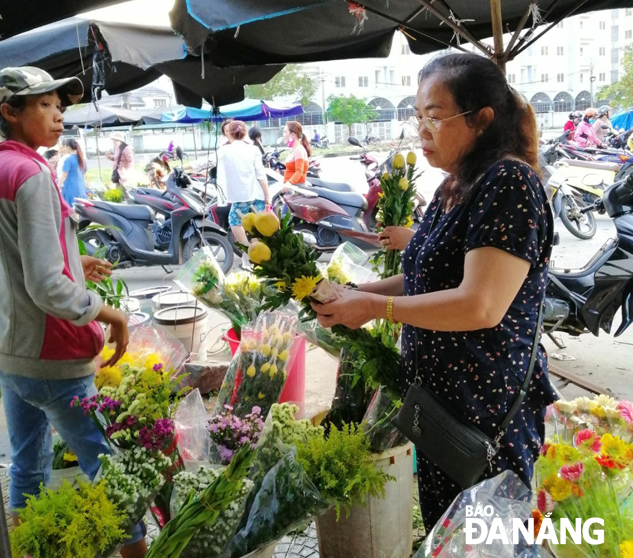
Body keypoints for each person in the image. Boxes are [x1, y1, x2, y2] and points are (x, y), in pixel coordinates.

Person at [311, 53, 558, 530]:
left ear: (482, 120)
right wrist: (352, 292)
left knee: (491, 536)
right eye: (418, 115)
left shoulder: (508, 182)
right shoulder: (454, 186)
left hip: (485, 410)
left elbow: (479, 304)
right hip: (440, 404)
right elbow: (425, 277)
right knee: (449, 531)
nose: (422, 129)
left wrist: (375, 307)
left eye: (435, 116)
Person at [0, 67, 146, 558]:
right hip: (52, 354)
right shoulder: (30, 172)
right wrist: (108, 313)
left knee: (27, 465)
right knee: (107, 468)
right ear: (9, 112)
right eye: (45, 105)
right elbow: (47, 285)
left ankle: (24, 552)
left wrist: (75, 261)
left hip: (9, 348)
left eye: (59, 106)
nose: (58, 115)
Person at [216, 121, 270, 267]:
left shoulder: (223, 150)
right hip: (256, 194)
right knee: (257, 226)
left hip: (239, 197)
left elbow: (205, 162)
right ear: (245, 133)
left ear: (229, 133)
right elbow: (261, 176)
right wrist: (267, 196)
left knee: (234, 221)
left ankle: (248, 249)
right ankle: (258, 254)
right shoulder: (253, 150)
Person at [59, 137, 87, 206]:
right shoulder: (83, 159)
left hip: (70, 188)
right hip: (81, 187)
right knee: (80, 208)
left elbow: (64, 175)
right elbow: (84, 172)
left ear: (68, 147)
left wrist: (58, 185)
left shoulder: (68, 160)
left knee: (71, 208)